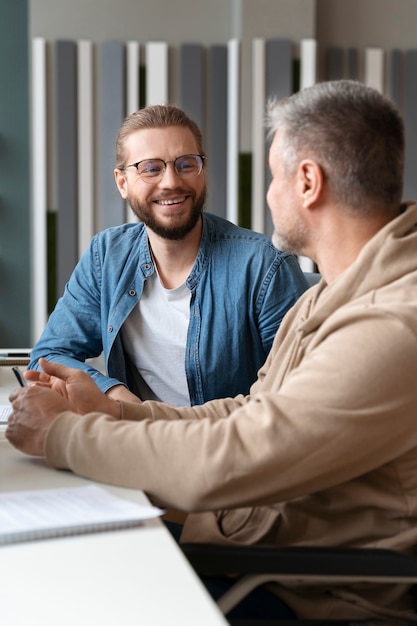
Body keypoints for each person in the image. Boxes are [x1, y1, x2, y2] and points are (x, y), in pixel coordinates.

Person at [7, 79, 417, 622]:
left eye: (273, 177)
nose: (269, 196)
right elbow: (254, 412)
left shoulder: (390, 324)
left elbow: (234, 457)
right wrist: (115, 409)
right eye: (150, 167)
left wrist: (59, 434)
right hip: (256, 538)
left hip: (309, 586)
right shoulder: (333, 294)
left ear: (307, 183)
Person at [28, 104, 307, 407]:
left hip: (225, 446)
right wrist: (114, 394)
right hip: (134, 443)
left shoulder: (264, 267)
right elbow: (48, 357)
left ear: (203, 171)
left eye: (186, 164)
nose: (171, 181)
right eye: (151, 168)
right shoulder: (106, 256)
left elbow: (298, 395)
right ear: (122, 182)